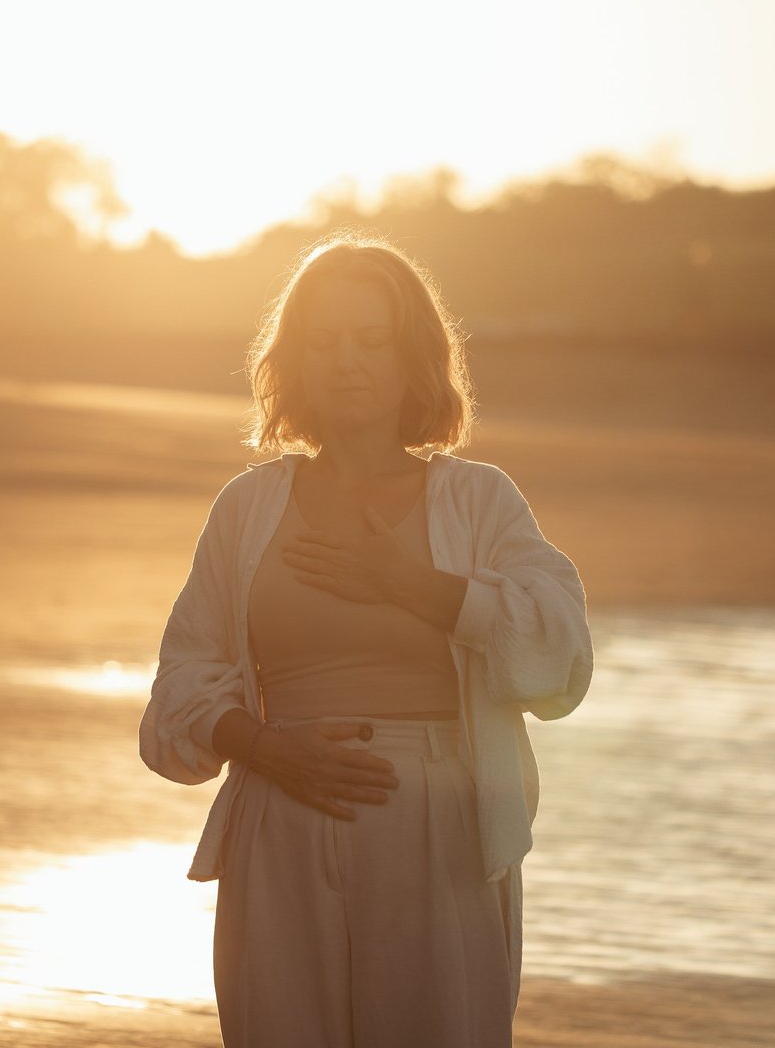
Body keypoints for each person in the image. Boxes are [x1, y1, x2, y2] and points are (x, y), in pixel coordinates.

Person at [139, 230, 592, 1048]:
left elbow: (560, 662)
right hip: (278, 821)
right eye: (323, 341)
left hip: (440, 828)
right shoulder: (247, 509)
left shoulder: (479, 502)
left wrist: (411, 582)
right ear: (295, 360)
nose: (346, 360)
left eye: (371, 339)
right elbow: (180, 686)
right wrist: (266, 749)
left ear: (412, 356)